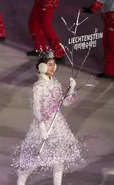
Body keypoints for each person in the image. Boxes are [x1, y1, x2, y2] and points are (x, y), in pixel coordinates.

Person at [12, 51, 85, 185]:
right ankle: (21, 181)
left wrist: (72, 89)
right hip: (43, 125)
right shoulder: (38, 86)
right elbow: (36, 108)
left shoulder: (55, 82)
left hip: (57, 124)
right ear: (42, 67)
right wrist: (42, 127)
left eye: (54, 65)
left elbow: (66, 102)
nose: (52, 67)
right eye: (49, 65)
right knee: (34, 158)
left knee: (59, 158)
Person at [82, 0, 114, 78]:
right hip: (109, 15)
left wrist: (92, 8)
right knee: (107, 43)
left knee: (111, 43)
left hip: (112, 15)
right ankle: (110, 71)